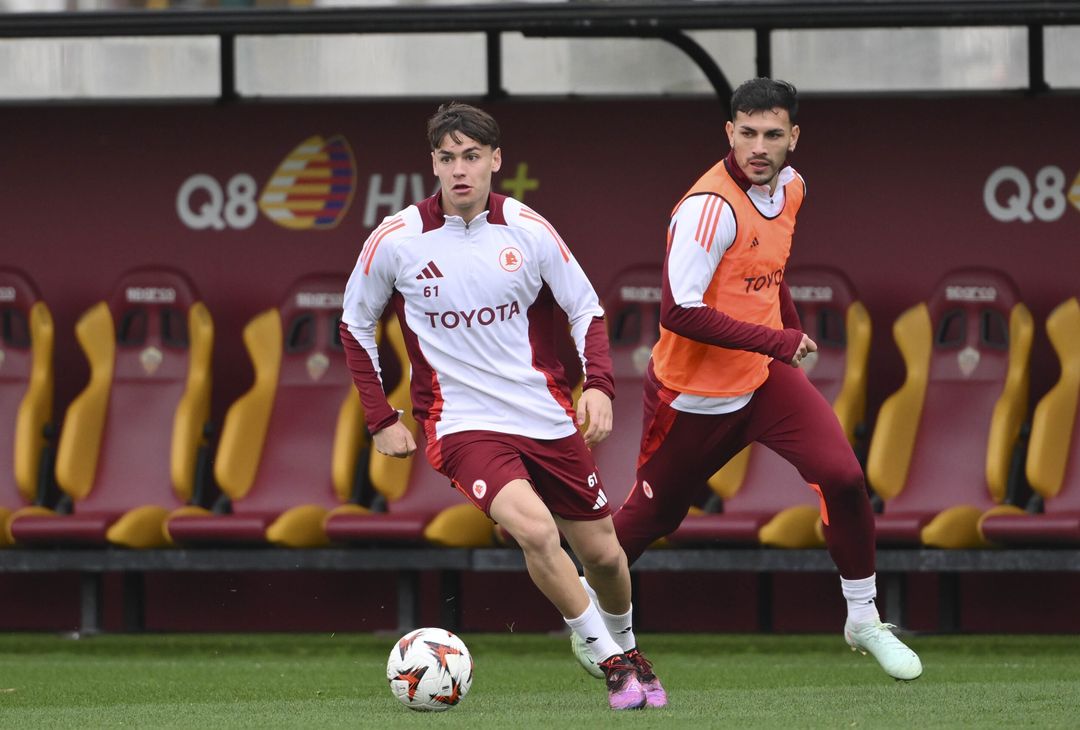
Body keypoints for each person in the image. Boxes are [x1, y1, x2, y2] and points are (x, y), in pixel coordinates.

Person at [573, 78, 922, 681]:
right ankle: (584, 618)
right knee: (653, 518)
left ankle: (863, 619)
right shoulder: (707, 208)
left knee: (843, 477)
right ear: (729, 132)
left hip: (762, 382)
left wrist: (787, 327)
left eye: (772, 134)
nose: (759, 146)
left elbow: (769, 270)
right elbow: (679, 312)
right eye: (747, 133)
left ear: (793, 137)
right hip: (693, 394)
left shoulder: (792, 188)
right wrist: (779, 340)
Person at [340, 102, 667, 710]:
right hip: (460, 423)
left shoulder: (528, 229)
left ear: (495, 161)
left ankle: (624, 641)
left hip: (544, 416)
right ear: (432, 164)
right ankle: (610, 660)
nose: (459, 170)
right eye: (447, 158)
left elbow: (587, 309)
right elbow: (354, 326)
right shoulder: (397, 239)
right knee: (536, 531)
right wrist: (380, 417)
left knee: (604, 555)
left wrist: (598, 383)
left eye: (471, 156)